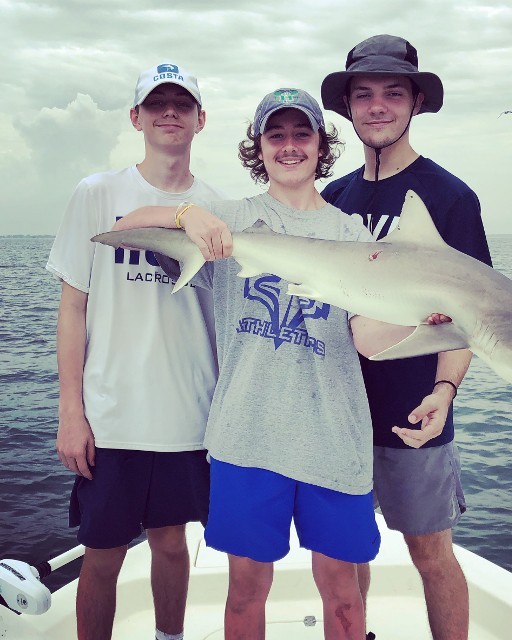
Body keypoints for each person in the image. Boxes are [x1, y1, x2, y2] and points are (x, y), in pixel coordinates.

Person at [112, 87, 425, 640]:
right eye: (275, 134)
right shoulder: (227, 221)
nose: (288, 146)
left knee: (345, 598)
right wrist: (188, 215)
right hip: (247, 436)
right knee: (244, 596)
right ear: (258, 146)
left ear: (320, 145)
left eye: (301, 133)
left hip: (334, 439)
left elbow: (368, 339)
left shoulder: (351, 235)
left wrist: (427, 316)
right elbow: (126, 223)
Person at [320, 35, 493, 640]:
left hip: (412, 412)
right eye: (363, 94)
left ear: (416, 101)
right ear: (347, 107)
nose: (377, 106)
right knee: (346, 559)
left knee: (432, 558)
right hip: (338, 413)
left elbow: (470, 317)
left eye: (393, 93)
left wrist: (445, 391)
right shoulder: (332, 201)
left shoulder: (450, 198)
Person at [46, 63, 226, 640]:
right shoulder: (96, 193)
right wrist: (71, 413)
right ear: (135, 117)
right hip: (111, 415)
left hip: (190, 415)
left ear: (202, 119)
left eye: (181, 104)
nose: (168, 113)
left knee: (172, 544)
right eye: (156, 104)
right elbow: (72, 308)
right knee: (101, 556)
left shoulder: (222, 209)